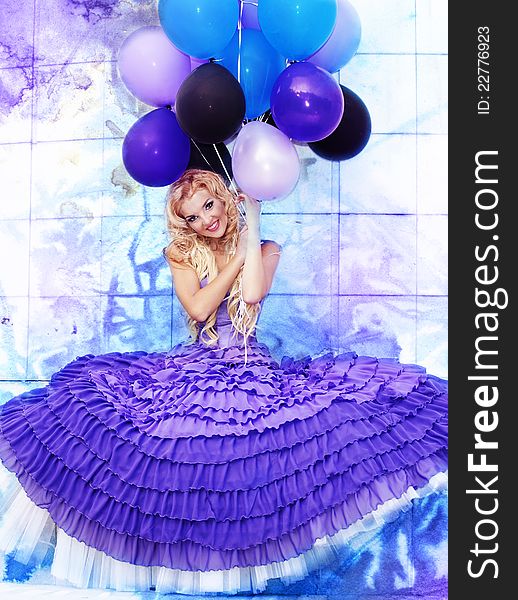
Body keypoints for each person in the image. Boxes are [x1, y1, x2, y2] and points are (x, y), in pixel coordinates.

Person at [0, 169, 448, 595]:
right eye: (193, 216)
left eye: (210, 206)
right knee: (159, 442)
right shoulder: (182, 253)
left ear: (226, 198)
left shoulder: (266, 247)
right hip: (199, 361)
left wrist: (251, 225)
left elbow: (252, 295)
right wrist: (232, 259)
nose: (205, 220)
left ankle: (237, 562)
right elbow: (198, 309)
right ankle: (173, 564)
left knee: (262, 450)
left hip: (251, 364)